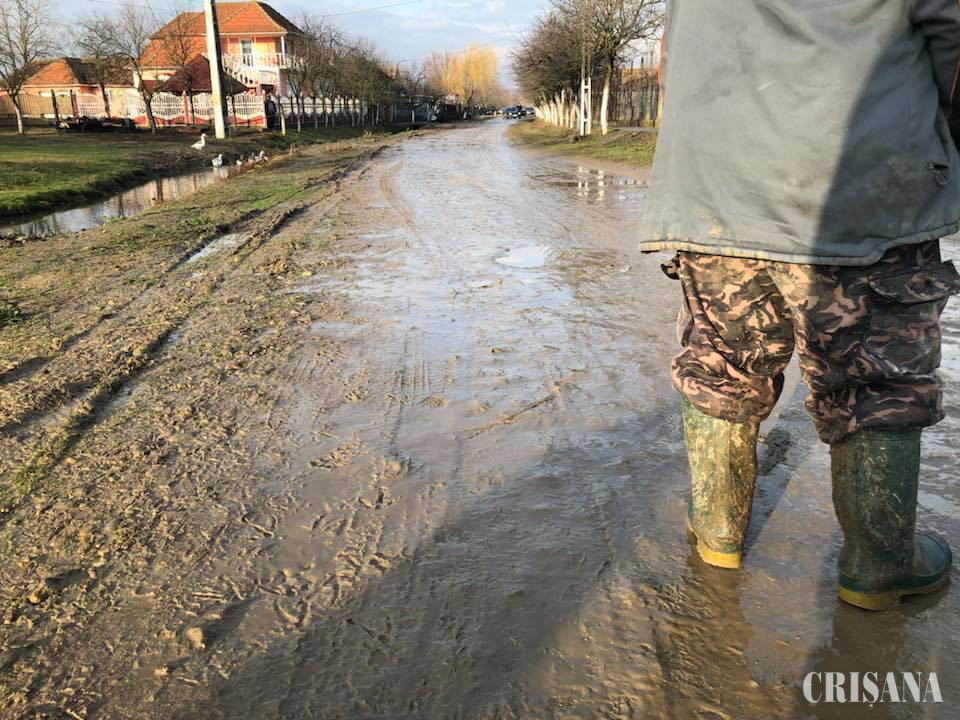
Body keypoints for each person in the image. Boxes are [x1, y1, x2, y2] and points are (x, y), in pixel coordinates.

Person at [640, 0, 960, 611]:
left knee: (723, 363)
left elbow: (669, 57)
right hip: (860, 180)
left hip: (712, 184)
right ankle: (880, 564)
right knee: (875, 378)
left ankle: (716, 534)